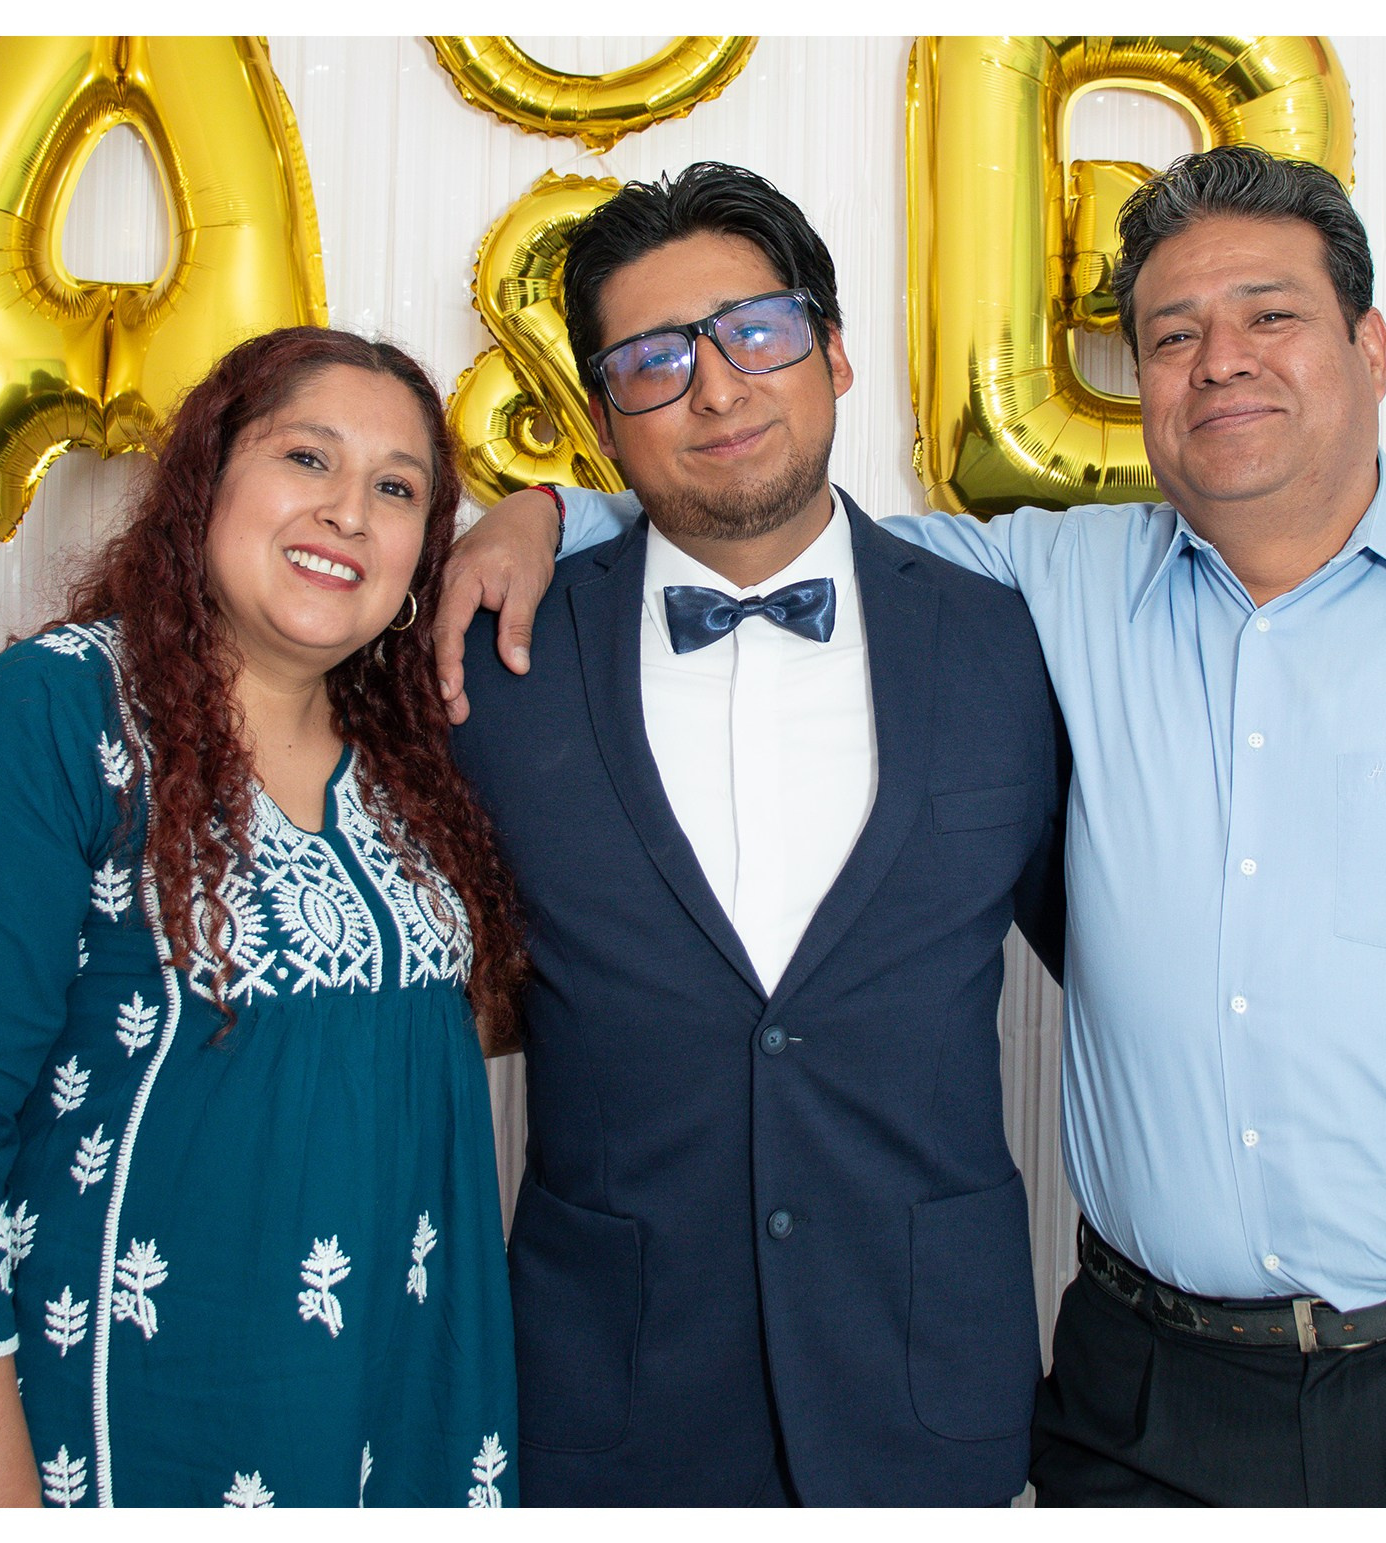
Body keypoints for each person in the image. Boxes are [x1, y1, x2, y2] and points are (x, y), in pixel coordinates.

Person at [437, 146, 1386, 1506]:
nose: (1220, 360)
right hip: (1152, 1396)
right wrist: (535, 511)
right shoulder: (1044, 583)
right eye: (1172, 335)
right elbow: (754, 518)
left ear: (1370, 344)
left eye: (1270, 315)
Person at [442, 163, 1065, 1506]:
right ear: (605, 418)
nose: (716, 390)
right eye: (654, 362)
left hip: (927, 1392)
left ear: (835, 355)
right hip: (608, 1402)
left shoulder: (1010, 644)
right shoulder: (491, 658)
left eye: (758, 332)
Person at [0, 327, 525, 1508]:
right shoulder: (58, 721)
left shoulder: (411, 775)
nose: (349, 514)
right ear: (204, 481)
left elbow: (385, 1055)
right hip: (129, 1443)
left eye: (396, 488)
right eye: (306, 459)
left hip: (403, 1428)